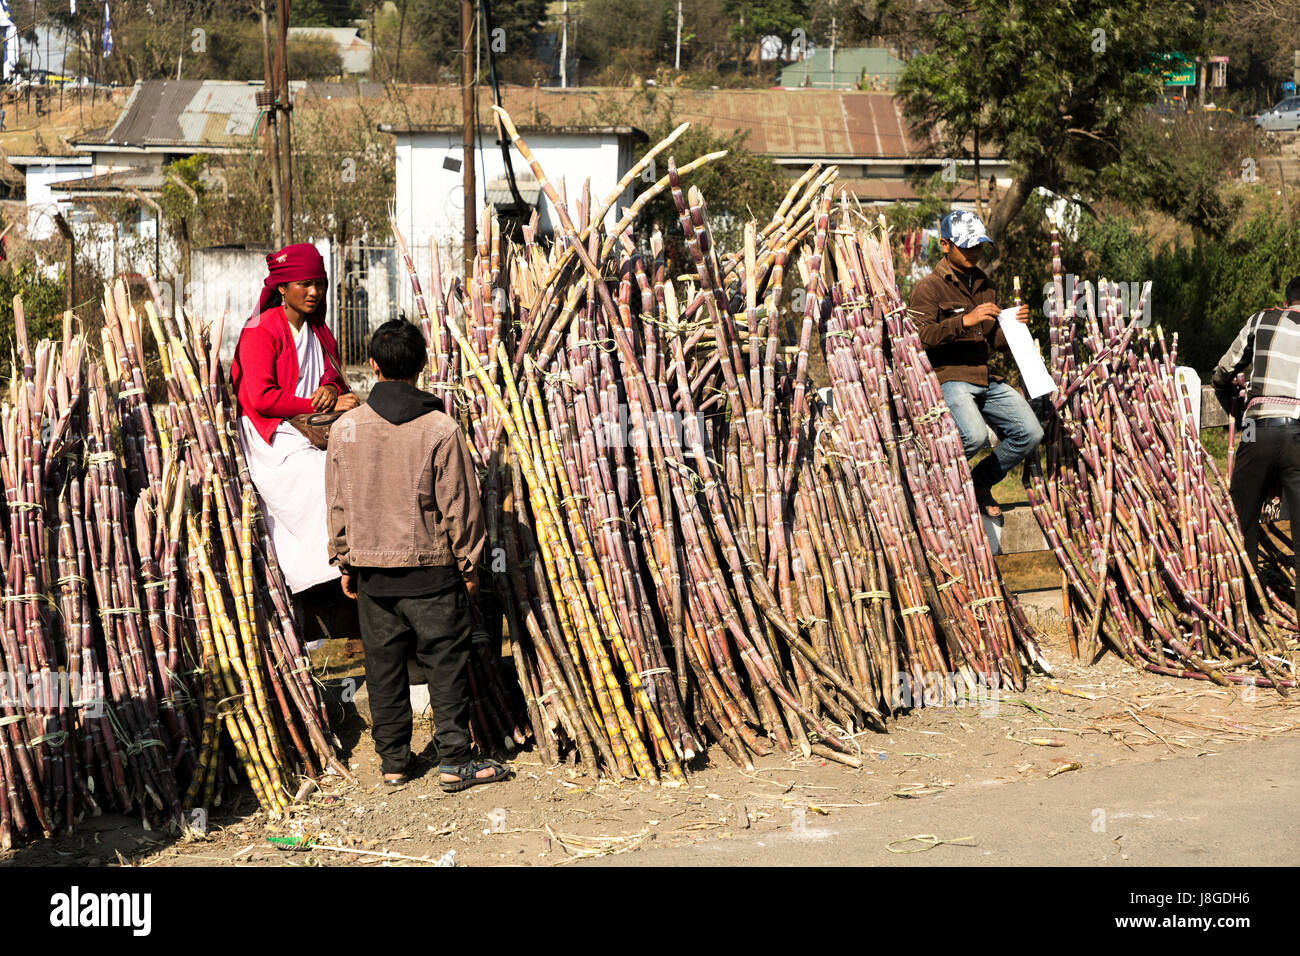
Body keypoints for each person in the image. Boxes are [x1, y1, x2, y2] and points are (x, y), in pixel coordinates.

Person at [325, 320, 509, 792]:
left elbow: (337, 502)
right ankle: (453, 761)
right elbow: (461, 508)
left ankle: (393, 764)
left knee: (382, 668)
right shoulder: (441, 429)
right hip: (430, 572)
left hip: (372, 576)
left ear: (372, 366)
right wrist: (469, 566)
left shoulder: (346, 429)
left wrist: (345, 559)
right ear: (423, 366)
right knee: (444, 663)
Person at [231, 243, 358, 610]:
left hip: (315, 429)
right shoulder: (260, 329)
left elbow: (333, 375)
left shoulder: (318, 330)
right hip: (272, 436)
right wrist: (314, 403)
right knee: (320, 481)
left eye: (318, 283)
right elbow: (261, 398)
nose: (315, 292)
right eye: (305, 284)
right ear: (282, 289)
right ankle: (324, 582)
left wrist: (331, 390)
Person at [907, 210, 1043, 518]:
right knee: (975, 436)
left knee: (1030, 433)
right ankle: (930, 486)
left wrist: (1014, 326)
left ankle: (977, 482)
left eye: (978, 245)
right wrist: (964, 321)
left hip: (986, 376)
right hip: (949, 376)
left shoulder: (985, 284)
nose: (974, 252)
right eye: (966, 246)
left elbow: (993, 339)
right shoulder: (928, 288)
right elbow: (918, 338)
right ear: (944, 245)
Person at [1211, 275, 1300, 610]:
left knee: (1242, 513)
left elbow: (1225, 369)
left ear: (1287, 299)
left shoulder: (1261, 319)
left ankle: (1248, 604)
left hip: (1255, 427)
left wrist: (1225, 388)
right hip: (1298, 435)